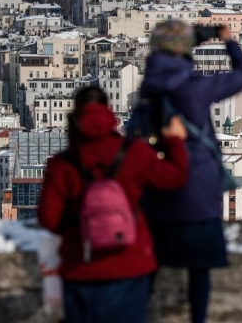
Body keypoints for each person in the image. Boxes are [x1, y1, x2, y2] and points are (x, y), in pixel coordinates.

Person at [38, 86, 189, 323]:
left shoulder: (62, 164)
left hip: (81, 266)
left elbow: (49, 219)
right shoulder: (133, 152)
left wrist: (80, 229)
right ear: (109, 112)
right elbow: (174, 177)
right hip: (130, 263)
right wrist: (174, 142)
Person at [139, 21, 242, 323]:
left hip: (157, 190)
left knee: (149, 268)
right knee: (199, 270)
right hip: (198, 192)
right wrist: (227, 41)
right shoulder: (195, 87)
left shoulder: (148, 85)